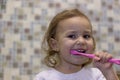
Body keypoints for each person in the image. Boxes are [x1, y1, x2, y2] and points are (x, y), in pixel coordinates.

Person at [34, 9, 119, 80]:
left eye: (86, 36)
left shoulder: (97, 76)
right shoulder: (43, 78)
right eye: (72, 36)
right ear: (54, 45)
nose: (81, 41)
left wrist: (108, 72)